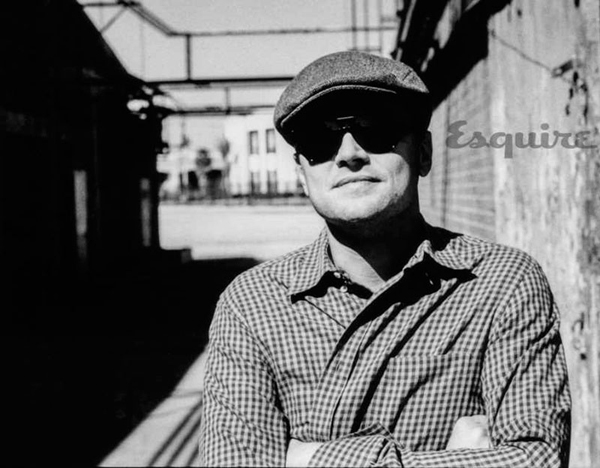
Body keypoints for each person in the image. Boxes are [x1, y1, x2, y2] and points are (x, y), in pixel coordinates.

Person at [199, 51, 571, 467]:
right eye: (320, 139)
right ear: (302, 172)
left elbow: (538, 458)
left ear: (423, 153)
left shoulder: (501, 283)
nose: (349, 153)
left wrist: (310, 459)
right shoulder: (253, 304)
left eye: (375, 128)